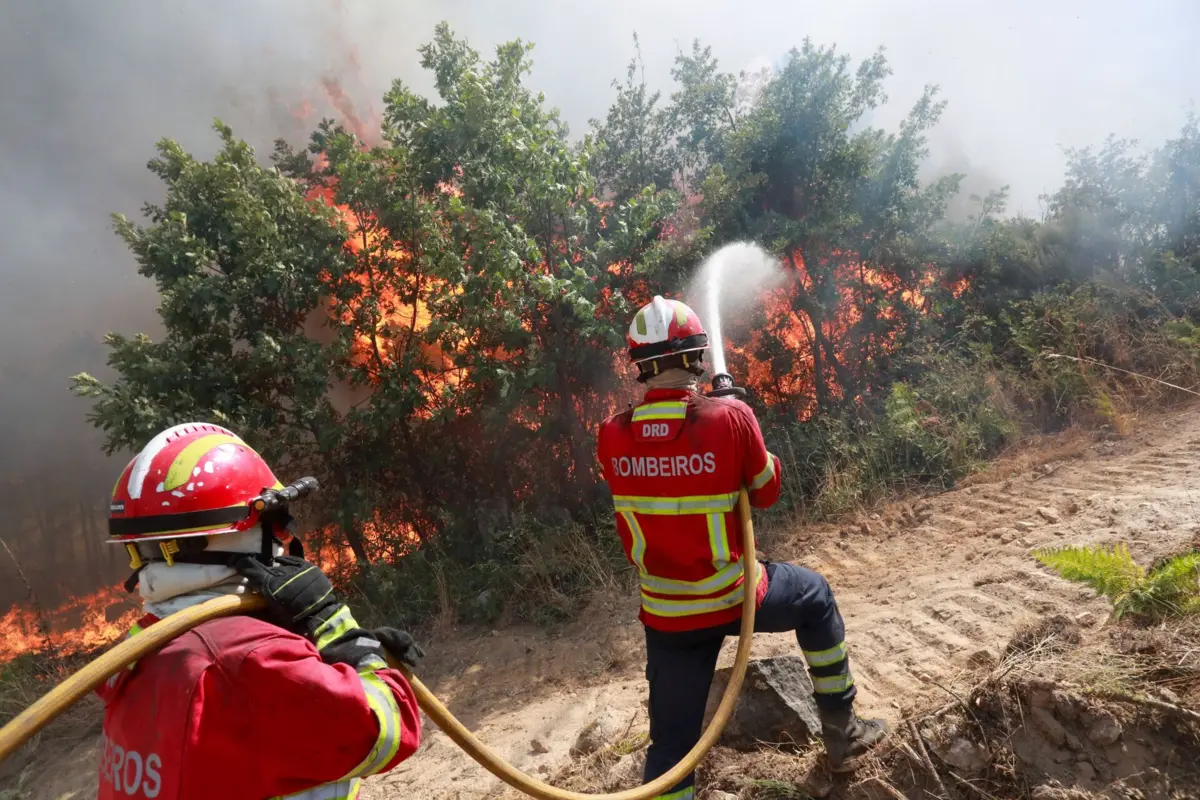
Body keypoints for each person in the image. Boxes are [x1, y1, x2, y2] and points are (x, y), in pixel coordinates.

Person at [596, 296, 887, 798]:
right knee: (816, 596)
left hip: (667, 618)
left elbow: (663, 460)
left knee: (670, 753)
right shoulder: (729, 419)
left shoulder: (611, 434)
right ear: (696, 356)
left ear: (640, 364)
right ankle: (843, 734)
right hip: (734, 597)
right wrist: (740, 418)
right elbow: (767, 491)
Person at [98, 422, 423, 800]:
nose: (285, 536)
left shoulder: (141, 648)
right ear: (244, 532)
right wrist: (338, 632)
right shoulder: (253, 658)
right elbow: (388, 730)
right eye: (278, 522)